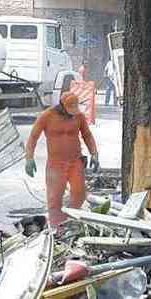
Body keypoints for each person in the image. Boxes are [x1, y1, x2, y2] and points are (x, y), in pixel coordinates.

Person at [25, 92, 99, 228]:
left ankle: (70, 220)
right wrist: (29, 158)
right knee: (54, 198)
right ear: (62, 105)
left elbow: (87, 135)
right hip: (55, 164)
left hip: (75, 161)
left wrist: (94, 153)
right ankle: (56, 228)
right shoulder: (47, 116)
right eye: (70, 109)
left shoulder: (78, 117)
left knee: (79, 193)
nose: (72, 113)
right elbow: (33, 137)